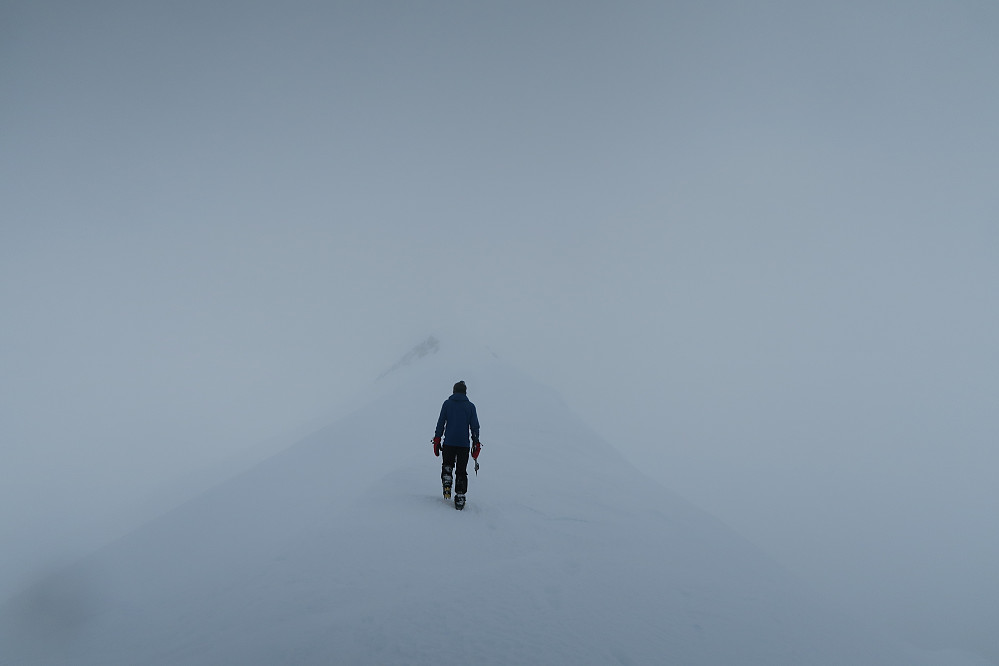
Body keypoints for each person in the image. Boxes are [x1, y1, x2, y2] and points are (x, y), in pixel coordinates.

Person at [432, 380, 481, 510]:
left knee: (447, 464)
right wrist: (476, 443)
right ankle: (460, 496)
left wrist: (437, 439)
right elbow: (474, 427)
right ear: (465, 392)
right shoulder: (471, 407)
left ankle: (447, 479)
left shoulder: (447, 404)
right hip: (463, 444)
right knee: (461, 470)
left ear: (454, 391)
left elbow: (441, 422)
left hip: (449, 442)